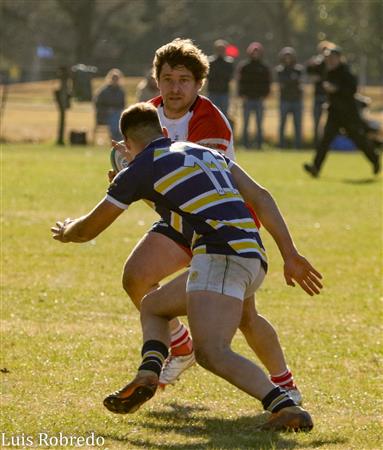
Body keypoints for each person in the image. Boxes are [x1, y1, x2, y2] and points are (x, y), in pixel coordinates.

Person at [52, 102, 323, 430]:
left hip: (221, 257)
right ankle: (148, 373)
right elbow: (261, 196)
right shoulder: (202, 152)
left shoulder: (140, 168)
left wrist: (66, 232)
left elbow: (89, 229)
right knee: (152, 306)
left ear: (128, 144)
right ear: (164, 132)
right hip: (251, 254)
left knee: (211, 352)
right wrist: (290, 254)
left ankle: (284, 405)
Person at [115, 39, 303, 402]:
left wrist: (136, 178)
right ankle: (181, 347)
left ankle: (286, 386)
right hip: (180, 221)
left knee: (246, 317)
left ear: (198, 84)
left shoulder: (209, 120)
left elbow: (200, 192)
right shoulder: (148, 114)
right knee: (136, 277)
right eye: (167, 78)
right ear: (156, 80)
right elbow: (139, 166)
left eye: (184, 79)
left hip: (221, 224)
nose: (174, 87)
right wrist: (126, 171)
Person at [303, 47, 381, 177]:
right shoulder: (326, 69)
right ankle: (315, 168)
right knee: (325, 140)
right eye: (328, 58)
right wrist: (313, 61)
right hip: (334, 113)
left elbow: (352, 90)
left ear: (339, 58)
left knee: (358, 140)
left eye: (332, 58)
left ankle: (375, 159)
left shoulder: (346, 72)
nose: (330, 61)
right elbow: (309, 70)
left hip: (348, 114)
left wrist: (336, 89)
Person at [237, 42, 272, 149]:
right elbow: (240, 82)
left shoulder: (264, 67)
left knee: (259, 124)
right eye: (253, 52)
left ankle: (259, 145)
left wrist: (265, 95)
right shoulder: (244, 66)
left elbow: (268, 83)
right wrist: (242, 95)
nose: (255, 54)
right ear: (250, 53)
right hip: (247, 99)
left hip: (259, 99)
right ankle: (245, 145)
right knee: (246, 123)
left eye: (257, 52)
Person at [306, 41, 336, 146]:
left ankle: (329, 143)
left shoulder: (333, 65)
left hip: (329, 98)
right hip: (318, 95)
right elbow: (309, 71)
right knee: (316, 121)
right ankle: (316, 144)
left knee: (330, 123)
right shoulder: (316, 63)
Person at [275, 47, 304, 149]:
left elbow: (298, 82)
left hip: (297, 100)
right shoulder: (280, 70)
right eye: (286, 56)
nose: (288, 59)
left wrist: (289, 81)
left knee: (298, 124)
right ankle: (281, 145)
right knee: (282, 124)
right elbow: (283, 84)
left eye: (289, 56)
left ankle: (298, 146)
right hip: (284, 100)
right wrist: (291, 80)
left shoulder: (298, 69)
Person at [94, 68, 125, 141]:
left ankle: (118, 139)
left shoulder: (121, 92)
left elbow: (123, 105)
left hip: (117, 114)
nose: (115, 80)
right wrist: (107, 110)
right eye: (113, 78)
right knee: (115, 118)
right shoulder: (103, 91)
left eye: (116, 79)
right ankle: (117, 139)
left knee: (118, 117)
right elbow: (97, 104)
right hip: (104, 115)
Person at [207, 39, 234, 117]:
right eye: (219, 49)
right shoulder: (210, 62)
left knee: (224, 115)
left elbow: (229, 76)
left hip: (224, 92)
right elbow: (208, 75)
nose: (220, 51)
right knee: (211, 114)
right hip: (212, 91)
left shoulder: (229, 62)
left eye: (222, 49)